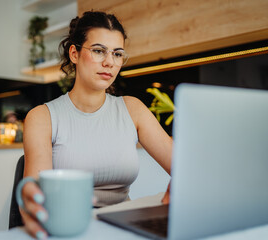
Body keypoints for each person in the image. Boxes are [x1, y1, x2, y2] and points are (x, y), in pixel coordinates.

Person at [20, 11, 172, 239]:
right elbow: (38, 196)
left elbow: (185, 167)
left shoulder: (133, 109)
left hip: (124, 227)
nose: (109, 62)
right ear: (74, 53)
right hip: (69, 228)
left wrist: (183, 183)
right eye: (99, 50)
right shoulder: (42, 117)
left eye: (117, 54)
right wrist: (33, 203)